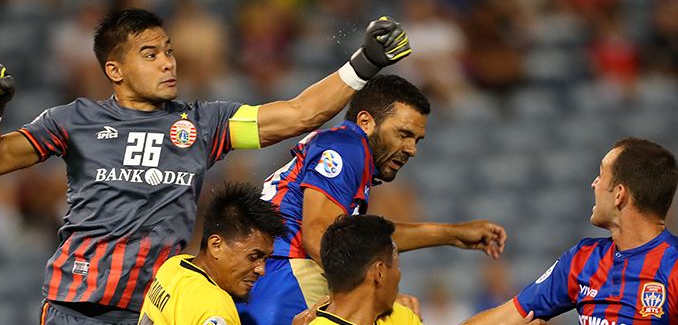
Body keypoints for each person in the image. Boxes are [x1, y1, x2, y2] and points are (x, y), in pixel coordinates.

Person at [0, 8, 411, 324]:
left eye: (169, 50)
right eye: (151, 53)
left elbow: (298, 115)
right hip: (74, 308)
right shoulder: (74, 120)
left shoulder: (203, 123)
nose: (168, 62)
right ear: (115, 70)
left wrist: (364, 63)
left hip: (157, 309)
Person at [238, 74, 508, 325]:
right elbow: (317, 234)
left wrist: (451, 234)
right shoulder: (346, 147)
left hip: (281, 276)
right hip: (289, 276)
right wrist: (372, 293)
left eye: (417, 140)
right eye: (403, 134)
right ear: (366, 122)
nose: (411, 149)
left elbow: (363, 245)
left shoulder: (352, 155)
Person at [463, 138, 678, 325]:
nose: (594, 184)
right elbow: (504, 319)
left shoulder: (673, 266)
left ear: (619, 194)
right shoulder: (583, 259)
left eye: (601, 175)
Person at [138, 182, 287, 325]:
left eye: (265, 259)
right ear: (216, 245)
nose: (261, 270)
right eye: (253, 257)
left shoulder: (174, 265)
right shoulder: (215, 307)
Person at [304, 214, 422, 325]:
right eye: (397, 264)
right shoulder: (401, 320)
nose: (399, 274)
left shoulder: (403, 317)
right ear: (379, 272)